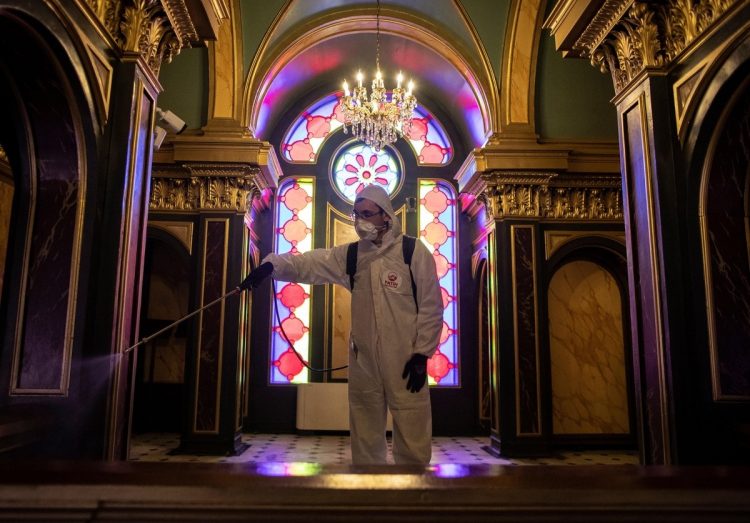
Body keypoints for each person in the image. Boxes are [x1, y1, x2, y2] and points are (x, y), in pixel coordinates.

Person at [243, 184, 443, 465]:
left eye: (367, 214)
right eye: (356, 215)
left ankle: (414, 492)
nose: (360, 221)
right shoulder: (351, 256)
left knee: (412, 424)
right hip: (364, 361)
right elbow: (310, 264)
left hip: (406, 358)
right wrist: (271, 266)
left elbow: (432, 307)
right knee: (364, 427)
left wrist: (423, 353)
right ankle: (367, 491)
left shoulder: (413, 252)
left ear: (385, 216)